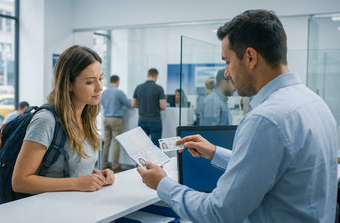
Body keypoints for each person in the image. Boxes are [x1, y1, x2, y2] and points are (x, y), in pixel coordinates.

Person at [137, 10, 338, 222]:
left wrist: (162, 184)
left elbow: (218, 213)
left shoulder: (266, 120)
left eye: (227, 61)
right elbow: (272, 167)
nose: (226, 73)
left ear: (250, 57)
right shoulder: (315, 104)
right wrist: (216, 153)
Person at [12, 45, 114, 194]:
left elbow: (70, 170)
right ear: (69, 85)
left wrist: (96, 175)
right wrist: (77, 182)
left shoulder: (87, 116)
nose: (100, 87)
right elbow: (20, 181)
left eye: (100, 78)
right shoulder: (46, 120)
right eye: (90, 82)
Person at [101, 75, 132, 172]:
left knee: (106, 143)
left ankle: (104, 165)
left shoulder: (104, 92)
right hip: (116, 119)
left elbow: (101, 103)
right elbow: (129, 105)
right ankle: (115, 166)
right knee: (116, 142)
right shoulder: (119, 92)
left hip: (106, 119)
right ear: (117, 81)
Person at [132, 68, 167, 146]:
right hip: (155, 121)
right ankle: (156, 159)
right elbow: (163, 106)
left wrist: (141, 106)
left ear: (148, 75)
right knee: (156, 145)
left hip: (142, 120)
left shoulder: (139, 87)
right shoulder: (159, 88)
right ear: (156, 76)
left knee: (143, 145)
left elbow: (133, 104)